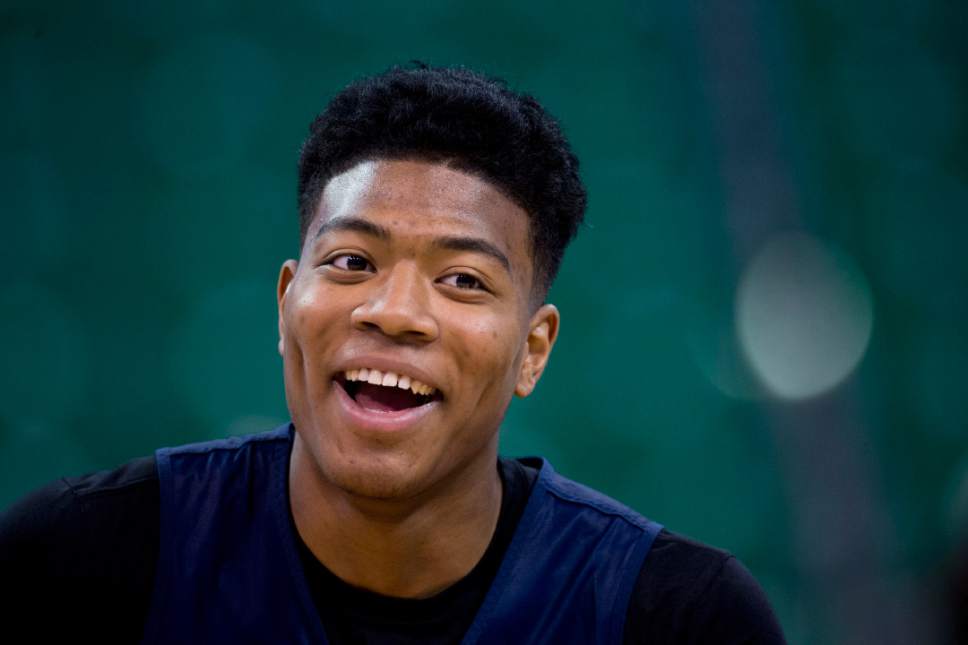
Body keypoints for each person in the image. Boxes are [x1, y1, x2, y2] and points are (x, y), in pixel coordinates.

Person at [0, 63, 786, 644]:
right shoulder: (77, 560)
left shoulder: (679, 618)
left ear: (531, 350)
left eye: (463, 279)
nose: (394, 311)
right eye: (351, 262)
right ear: (285, 302)